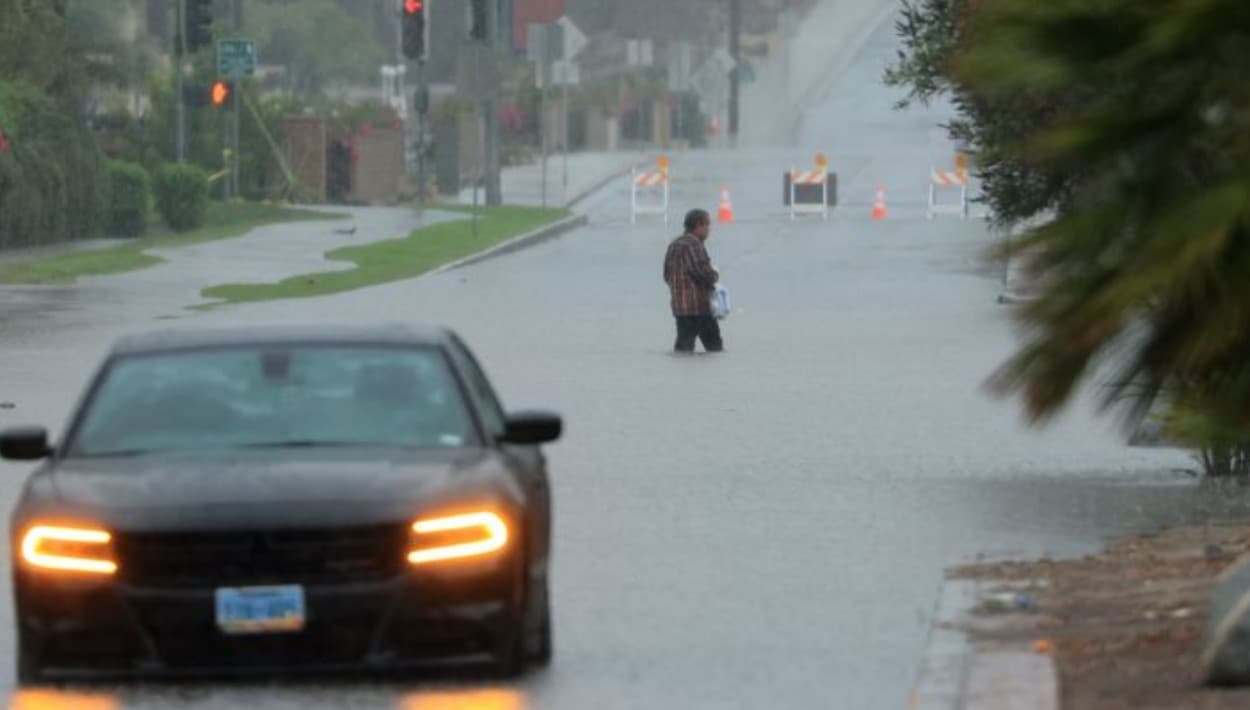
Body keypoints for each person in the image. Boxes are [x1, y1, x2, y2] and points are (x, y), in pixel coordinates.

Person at [663, 209, 723, 353]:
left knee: (683, 348)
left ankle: (679, 369)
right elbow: (701, 272)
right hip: (698, 307)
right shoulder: (693, 244)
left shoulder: (674, 244)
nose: (709, 230)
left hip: (680, 307)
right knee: (714, 348)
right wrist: (715, 275)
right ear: (698, 225)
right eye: (707, 225)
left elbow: (666, 275)